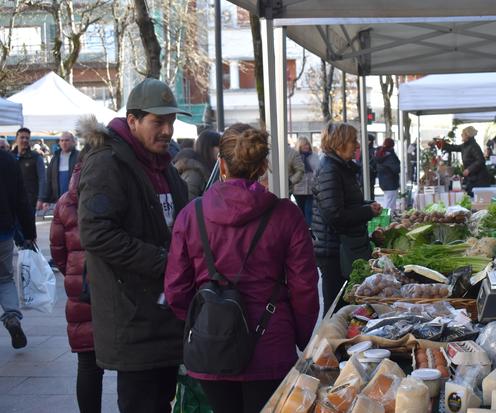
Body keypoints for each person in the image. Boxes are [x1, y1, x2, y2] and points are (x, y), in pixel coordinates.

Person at [164, 124, 319, 413]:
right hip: (271, 344)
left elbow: (176, 290)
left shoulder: (191, 215)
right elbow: (304, 287)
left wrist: (204, 322)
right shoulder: (287, 215)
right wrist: (300, 337)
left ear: (221, 164)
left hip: (212, 346)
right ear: (262, 167)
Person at [77, 78, 190, 413]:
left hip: (165, 313)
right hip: (133, 317)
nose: (167, 130)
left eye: (170, 121)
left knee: (162, 402)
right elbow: (96, 233)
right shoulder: (107, 162)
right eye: (158, 122)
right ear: (133, 121)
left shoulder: (163, 165)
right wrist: (164, 261)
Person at [50, 146, 108, 412]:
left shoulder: (65, 201)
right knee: (131, 368)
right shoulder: (112, 190)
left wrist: (74, 275)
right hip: (112, 288)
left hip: (81, 290)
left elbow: (57, 251)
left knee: (87, 364)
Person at [312, 122, 382, 313]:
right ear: (339, 143)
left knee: (346, 303)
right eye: (353, 141)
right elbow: (335, 214)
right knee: (337, 306)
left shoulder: (341, 167)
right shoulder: (330, 169)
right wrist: (367, 211)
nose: (357, 145)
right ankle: (332, 341)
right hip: (335, 250)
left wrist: (368, 205)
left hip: (344, 246)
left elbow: (346, 202)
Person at [0, 149, 35, 349]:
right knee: (4, 278)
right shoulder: (8, 160)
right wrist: (29, 231)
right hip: (3, 231)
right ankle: (12, 317)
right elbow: (22, 199)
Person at [442, 126, 491, 196]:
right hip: (472, 179)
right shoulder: (465, 146)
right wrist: (441, 143)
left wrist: (469, 169)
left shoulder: (474, 146)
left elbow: (480, 160)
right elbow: (454, 147)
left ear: (468, 135)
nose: (461, 135)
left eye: (463, 134)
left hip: (479, 180)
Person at [12, 127, 46, 212]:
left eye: (27, 138)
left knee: (28, 225)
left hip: (29, 201)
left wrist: (41, 199)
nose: (25, 140)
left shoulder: (36, 157)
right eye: (22, 137)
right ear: (16, 139)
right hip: (11, 200)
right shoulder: (9, 156)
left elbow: (42, 179)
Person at [41, 131, 79, 208]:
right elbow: (49, 180)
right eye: (62, 140)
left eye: (67, 140)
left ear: (73, 142)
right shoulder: (55, 158)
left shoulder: (79, 156)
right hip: (58, 201)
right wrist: (46, 199)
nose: (64, 143)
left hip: (76, 201)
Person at [292, 137, 320, 225]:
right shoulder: (295, 157)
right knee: (301, 211)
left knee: (309, 211)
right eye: (304, 144)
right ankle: (303, 229)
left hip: (311, 189)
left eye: (307, 144)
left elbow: (318, 169)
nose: (306, 146)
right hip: (298, 189)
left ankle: (309, 229)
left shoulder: (314, 156)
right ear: (299, 146)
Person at [375, 137, 400, 211]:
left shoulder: (380, 153)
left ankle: (389, 218)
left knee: (388, 201)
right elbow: (396, 169)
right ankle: (387, 220)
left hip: (384, 181)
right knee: (390, 204)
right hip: (391, 182)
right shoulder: (390, 155)